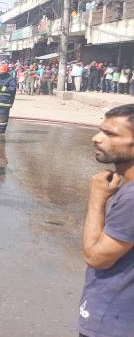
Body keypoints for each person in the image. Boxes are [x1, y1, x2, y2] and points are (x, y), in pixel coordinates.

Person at [79, 105, 134, 337]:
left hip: (114, 323)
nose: (96, 139)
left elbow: (96, 256)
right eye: (100, 131)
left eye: (111, 134)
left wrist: (96, 198)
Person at [0, 63, 17, 135]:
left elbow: (12, 89)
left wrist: (2, 88)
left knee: (3, 117)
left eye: (0, 72)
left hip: (5, 102)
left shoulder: (10, 79)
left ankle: (1, 130)